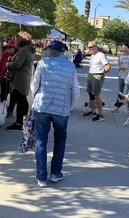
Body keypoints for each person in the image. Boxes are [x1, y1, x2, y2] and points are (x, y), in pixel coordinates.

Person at [31, 40, 80, 187]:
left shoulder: (43, 63)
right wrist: (68, 107)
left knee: (41, 140)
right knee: (60, 140)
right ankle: (55, 174)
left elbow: (34, 85)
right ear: (62, 52)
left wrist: (36, 98)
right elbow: (75, 91)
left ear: (49, 51)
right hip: (61, 110)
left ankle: (41, 177)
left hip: (42, 107)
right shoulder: (71, 66)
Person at [6, 31, 35, 131]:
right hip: (23, 77)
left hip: (20, 78)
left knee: (20, 100)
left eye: (16, 39)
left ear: (21, 40)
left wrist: (8, 64)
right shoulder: (28, 50)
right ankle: (23, 122)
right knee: (21, 99)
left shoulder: (23, 50)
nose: (15, 41)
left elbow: (17, 64)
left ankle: (20, 123)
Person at [83, 41, 111, 122]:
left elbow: (108, 66)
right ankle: (93, 111)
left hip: (97, 76)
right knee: (91, 94)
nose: (89, 49)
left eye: (91, 47)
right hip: (91, 76)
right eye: (88, 47)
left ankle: (100, 114)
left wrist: (101, 73)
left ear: (96, 47)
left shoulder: (100, 55)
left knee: (96, 95)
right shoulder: (93, 55)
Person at [112, 43, 129, 114]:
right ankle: (117, 107)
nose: (123, 49)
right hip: (122, 76)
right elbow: (118, 65)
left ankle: (128, 110)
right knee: (120, 92)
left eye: (125, 48)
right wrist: (119, 68)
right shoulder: (120, 56)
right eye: (122, 48)